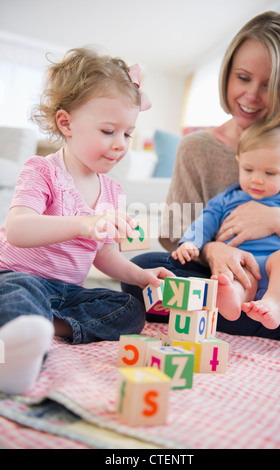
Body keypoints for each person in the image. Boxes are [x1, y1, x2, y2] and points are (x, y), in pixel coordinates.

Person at [0, 48, 172, 395]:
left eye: (128, 134)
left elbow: (104, 256)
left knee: (127, 309)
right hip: (18, 275)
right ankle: (13, 354)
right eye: (109, 130)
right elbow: (18, 230)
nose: (120, 145)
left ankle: (42, 328)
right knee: (18, 293)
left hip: (68, 295)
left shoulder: (112, 191)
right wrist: (83, 223)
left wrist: (142, 277)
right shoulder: (42, 170)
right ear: (66, 123)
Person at [121, 11, 280, 342]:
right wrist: (215, 249)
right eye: (243, 78)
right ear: (227, 75)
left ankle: (263, 315)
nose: (251, 96)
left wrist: (278, 221)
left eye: (268, 85)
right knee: (142, 270)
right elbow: (175, 235)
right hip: (220, 277)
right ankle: (276, 325)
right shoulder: (196, 148)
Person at [172, 126, 280, 331]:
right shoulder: (225, 199)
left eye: (269, 173)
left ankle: (274, 304)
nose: (257, 179)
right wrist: (190, 242)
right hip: (240, 265)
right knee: (149, 267)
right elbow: (205, 221)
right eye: (249, 170)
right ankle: (231, 303)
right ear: (239, 163)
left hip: (279, 267)